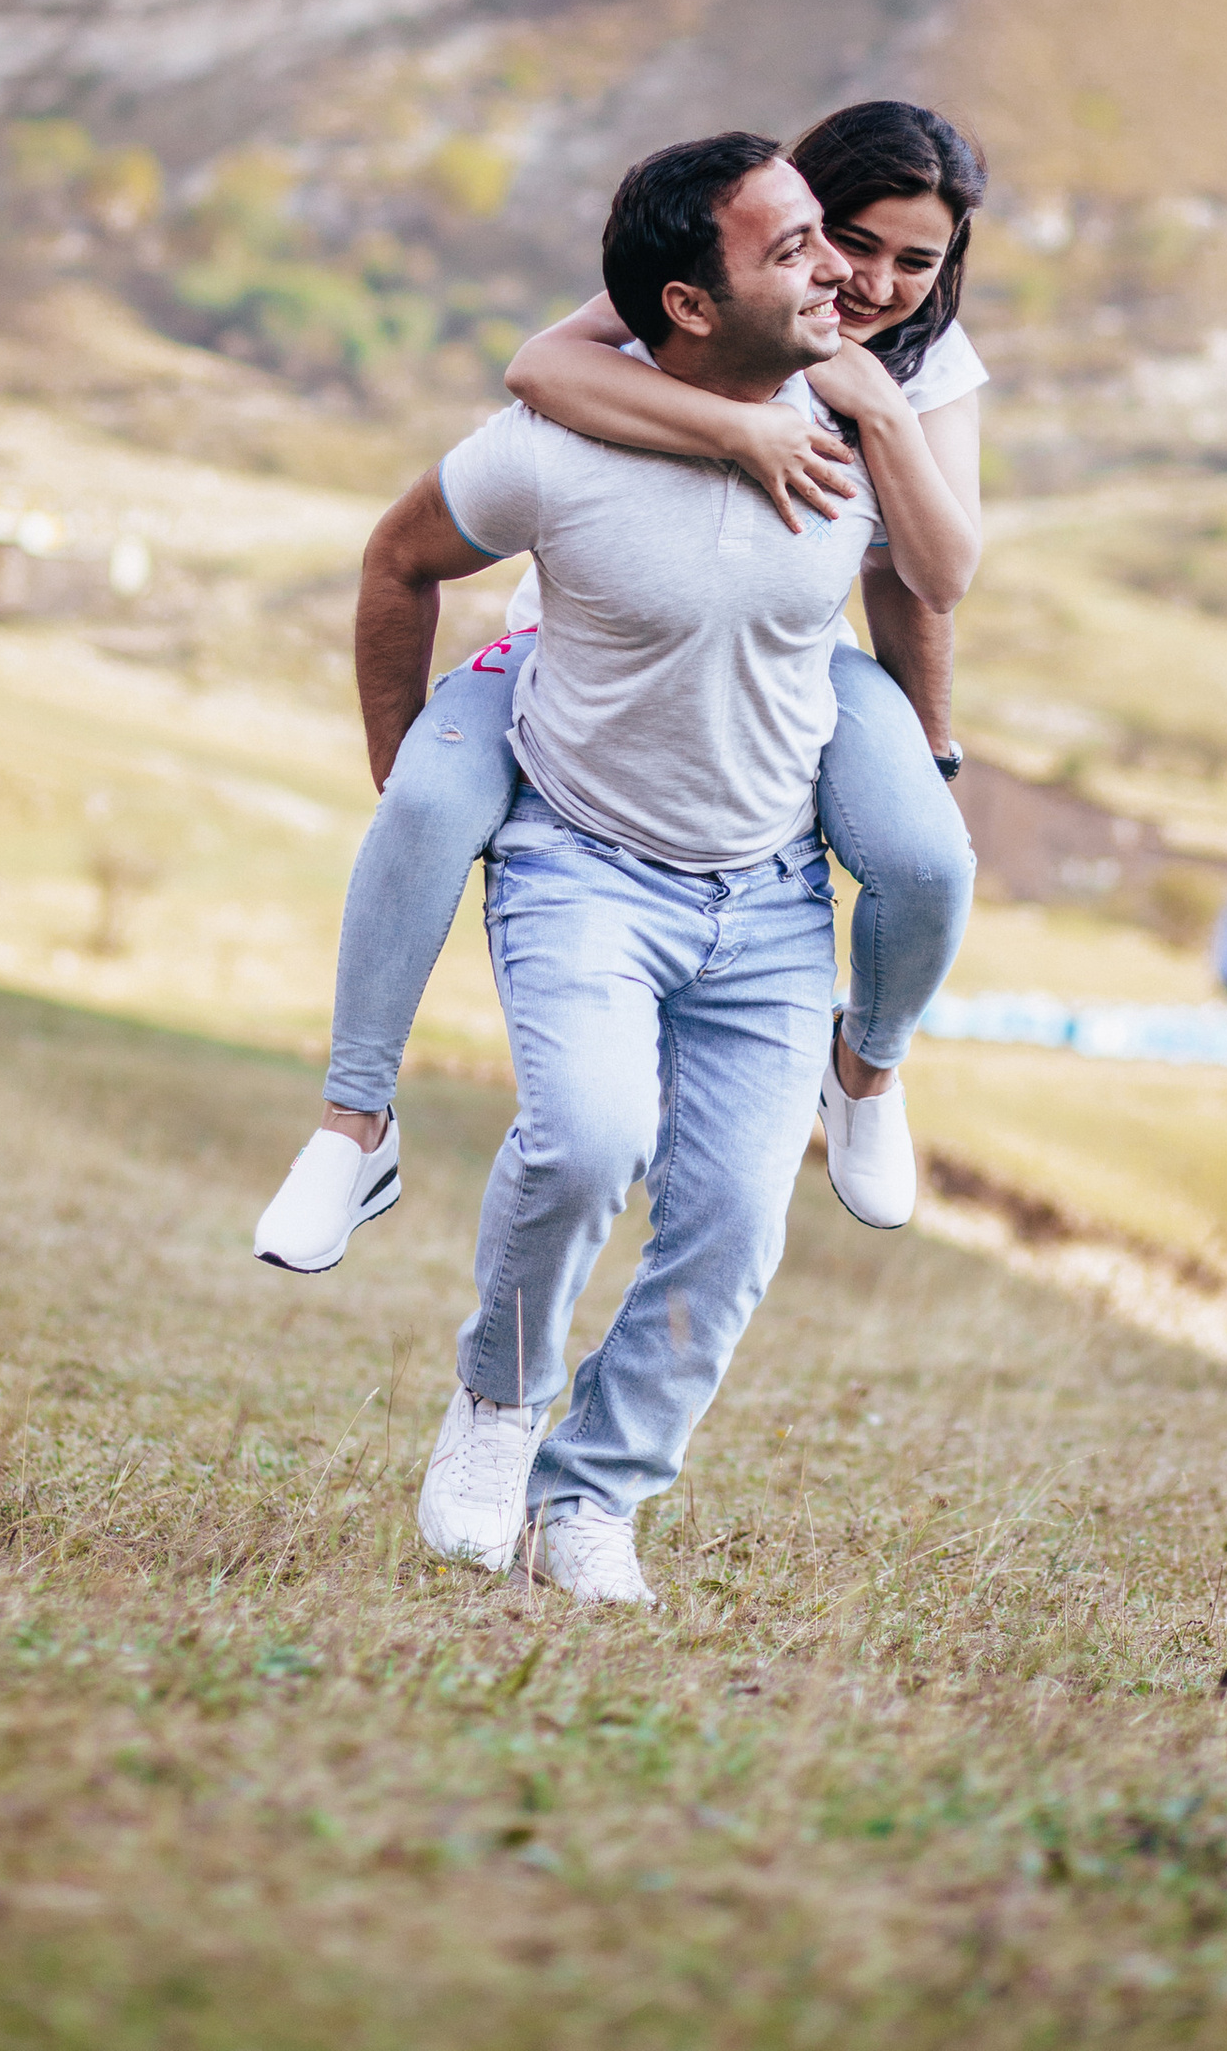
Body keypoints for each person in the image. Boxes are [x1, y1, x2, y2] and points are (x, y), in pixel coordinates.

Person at [252, 101, 987, 1283]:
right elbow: (538, 368)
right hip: (583, 640)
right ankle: (352, 1125)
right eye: (845, 238)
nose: (870, 280)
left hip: (789, 654)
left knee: (929, 859)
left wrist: (880, 403)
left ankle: (866, 1069)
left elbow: (933, 577)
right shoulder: (726, 278)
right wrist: (737, 434)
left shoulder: (921, 364)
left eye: (917, 260)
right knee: (426, 806)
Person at [351, 133, 895, 1602]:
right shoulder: (556, 446)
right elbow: (397, 562)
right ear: (691, 305)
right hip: (582, 868)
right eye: (790, 250)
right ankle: (500, 1402)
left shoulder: (855, 424)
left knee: (732, 1220)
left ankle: (592, 1502)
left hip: (773, 896)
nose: (837, 269)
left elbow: (925, 597)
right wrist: (410, 784)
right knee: (586, 1141)